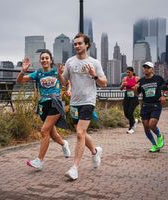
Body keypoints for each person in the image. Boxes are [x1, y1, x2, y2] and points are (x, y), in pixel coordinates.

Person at [58, 33, 107, 180]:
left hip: (88, 101)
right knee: (81, 133)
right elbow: (64, 82)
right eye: (75, 44)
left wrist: (94, 75)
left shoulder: (95, 63)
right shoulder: (70, 62)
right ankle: (95, 151)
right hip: (74, 102)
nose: (77, 46)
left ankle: (75, 168)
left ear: (87, 45)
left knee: (80, 133)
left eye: (80, 43)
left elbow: (104, 83)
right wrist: (60, 74)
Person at [16, 49, 71, 170]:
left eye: (47, 58)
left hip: (55, 104)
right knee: (53, 134)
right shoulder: (38, 73)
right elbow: (19, 81)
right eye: (42, 58)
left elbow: (64, 82)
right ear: (40, 61)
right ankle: (64, 143)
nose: (44, 60)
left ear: (51, 60)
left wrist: (59, 74)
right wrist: (23, 71)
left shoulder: (55, 71)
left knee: (44, 131)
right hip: (43, 105)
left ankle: (39, 161)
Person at [135, 61, 165, 153]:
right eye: (144, 67)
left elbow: (165, 87)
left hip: (156, 104)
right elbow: (137, 94)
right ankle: (154, 145)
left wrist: (164, 96)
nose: (146, 69)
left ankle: (160, 136)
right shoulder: (141, 81)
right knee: (146, 127)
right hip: (145, 105)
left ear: (152, 69)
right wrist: (135, 89)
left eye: (148, 67)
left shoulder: (158, 78)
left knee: (152, 124)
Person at [120, 67, 140, 134]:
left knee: (130, 112)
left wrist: (136, 86)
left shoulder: (137, 78)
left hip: (134, 97)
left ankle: (131, 127)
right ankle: (134, 121)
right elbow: (121, 89)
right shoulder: (125, 79)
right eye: (127, 72)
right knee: (126, 113)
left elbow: (140, 88)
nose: (128, 73)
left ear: (132, 72)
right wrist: (123, 85)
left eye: (129, 72)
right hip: (127, 97)